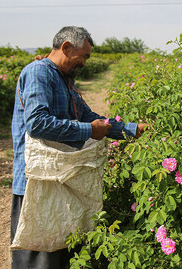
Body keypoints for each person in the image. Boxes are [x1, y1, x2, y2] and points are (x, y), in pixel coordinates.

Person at [10, 26, 146, 268]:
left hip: (61, 176)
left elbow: (89, 116)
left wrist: (132, 129)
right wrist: (88, 130)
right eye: (84, 56)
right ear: (66, 47)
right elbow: (37, 123)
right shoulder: (38, 73)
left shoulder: (66, 81)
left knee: (61, 250)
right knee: (38, 256)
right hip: (36, 179)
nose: (85, 63)